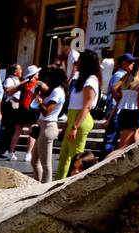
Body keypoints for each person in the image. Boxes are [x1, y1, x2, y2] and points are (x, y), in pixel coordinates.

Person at [56, 50, 101, 180]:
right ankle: (56, 185)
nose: (76, 62)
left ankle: (72, 184)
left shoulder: (91, 81)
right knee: (64, 157)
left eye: (79, 60)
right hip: (73, 119)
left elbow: (86, 106)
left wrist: (75, 127)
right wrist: (67, 126)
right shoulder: (81, 79)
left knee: (76, 159)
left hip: (80, 121)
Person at [31, 68, 67, 184]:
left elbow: (47, 111)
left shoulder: (57, 91)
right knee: (34, 161)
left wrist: (39, 101)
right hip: (42, 125)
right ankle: (38, 184)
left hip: (48, 127)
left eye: (48, 77)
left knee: (46, 164)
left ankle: (45, 189)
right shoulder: (53, 91)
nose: (46, 79)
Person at [115, 54, 139, 150]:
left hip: (123, 112)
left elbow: (115, 91)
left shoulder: (126, 79)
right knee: (122, 148)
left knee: (135, 146)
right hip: (133, 114)